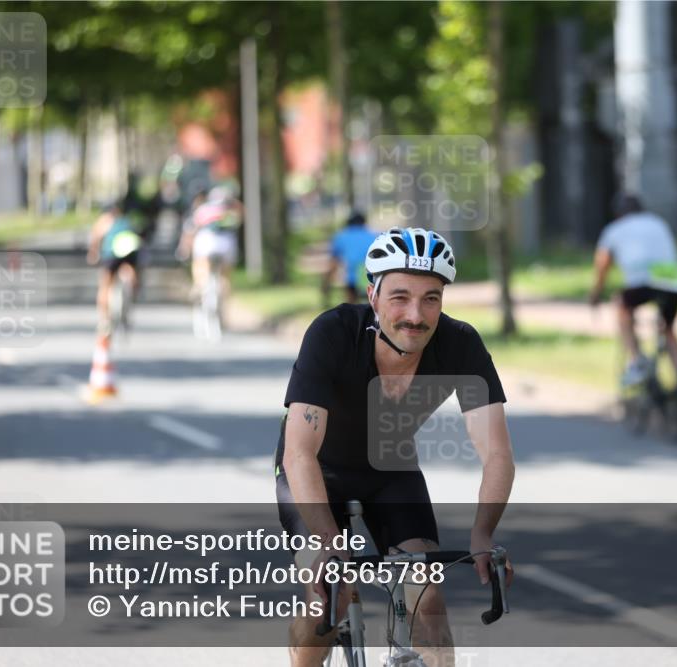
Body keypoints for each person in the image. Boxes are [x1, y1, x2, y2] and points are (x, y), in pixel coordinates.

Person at [275, 227, 516, 667]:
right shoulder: (332, 333)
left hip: (390, 469)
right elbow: (299, 453)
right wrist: (329, 540)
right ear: (373, 295)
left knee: (427, 595)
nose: (415, 315)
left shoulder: (460, 344)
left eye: (430, 299)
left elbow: (497, 453)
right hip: (316, 472)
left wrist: (483, 532)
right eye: (399, 297)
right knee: (329, 596)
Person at [589, 193, 677, 388]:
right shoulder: (658, 223)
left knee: (622, 307)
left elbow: (602, 264)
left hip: (642, 282)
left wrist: (596, 293)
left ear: (618, 214)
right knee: (668, 329)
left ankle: (636, 360)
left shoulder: (614, 229)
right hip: (673, 281)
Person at [176, 186, 241, 324]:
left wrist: (184, 250)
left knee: (200, 265)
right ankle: (223, 304)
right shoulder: (229, 211)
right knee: (225, 276)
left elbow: (190, 232)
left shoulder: (202, 210)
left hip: (207, 242)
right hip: (227, 244)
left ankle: (199, 286)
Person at [86, 200, 143, 332]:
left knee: (105, 284)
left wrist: (93, 253)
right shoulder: (126, 221)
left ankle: (104, 319)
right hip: (130, 251)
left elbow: (95, 238)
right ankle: (131, 292)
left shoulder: (104, 220)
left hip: (111, 253)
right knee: (130, 272)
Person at [321, 211, 377, 305]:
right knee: (371, 305)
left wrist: (326, 283)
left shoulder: (341, 236)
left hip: (352, 277)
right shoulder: (373, 236)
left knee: (351, 306)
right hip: (371, 275)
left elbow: (334, 262)